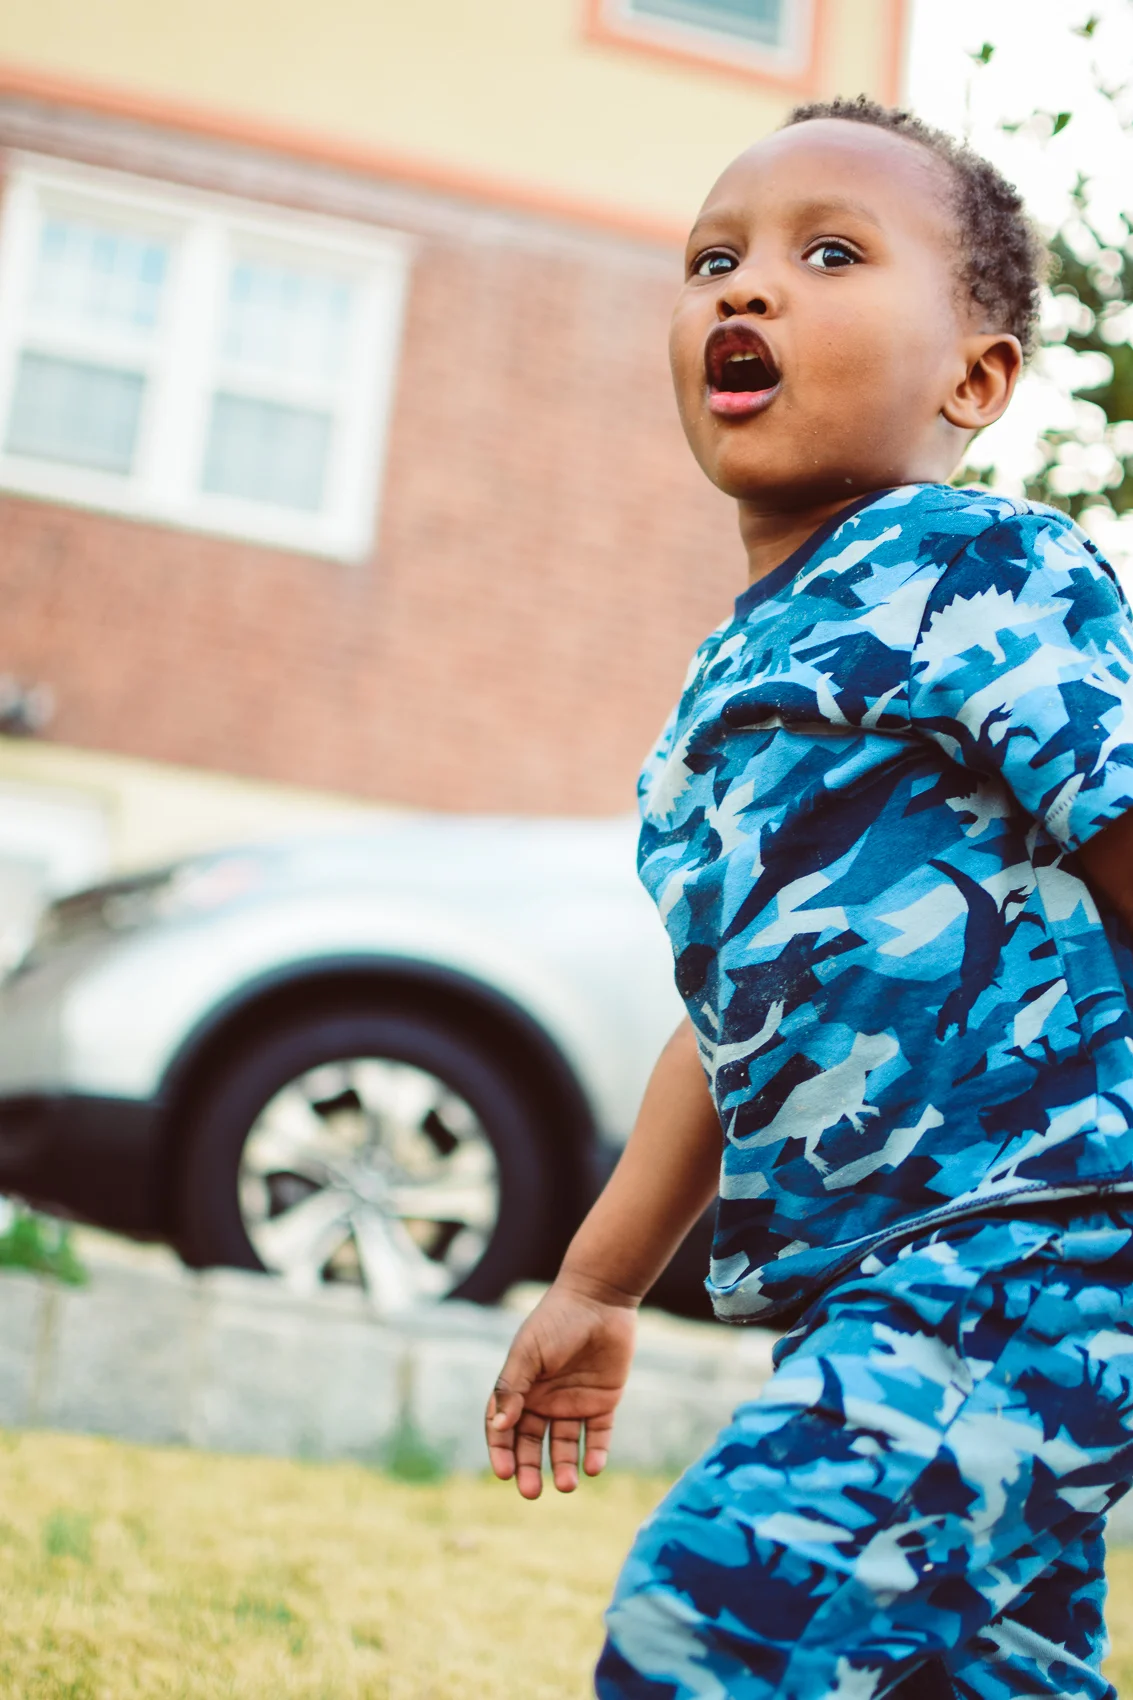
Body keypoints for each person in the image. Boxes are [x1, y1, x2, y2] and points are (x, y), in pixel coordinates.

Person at [485, 95, 1133, 1700]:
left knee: (715, 1624)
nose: (745, 289)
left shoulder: (973, 564)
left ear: (973, 378)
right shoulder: (732, 676)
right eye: (714, 258)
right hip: (886, 1275)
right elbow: (730, 1029)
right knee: (963, 1672)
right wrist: (596, 1282)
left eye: (828, 254)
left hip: (1034, 1246)